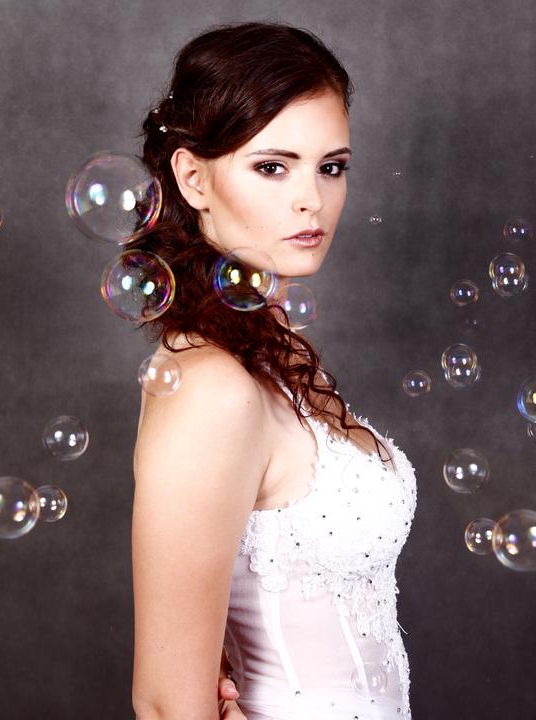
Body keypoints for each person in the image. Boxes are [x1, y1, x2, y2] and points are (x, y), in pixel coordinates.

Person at [130, 20, 417, 720]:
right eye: (272, 167)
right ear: (193, 177)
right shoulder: (211, 385)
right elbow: (166, 701)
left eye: (331, 166)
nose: (311, 199)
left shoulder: (273, 343)